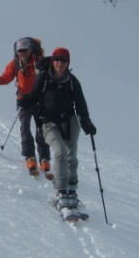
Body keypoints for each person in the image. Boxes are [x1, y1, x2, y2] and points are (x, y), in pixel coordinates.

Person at [20, 47, 97, 209]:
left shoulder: (72, 81)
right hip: (47, 122)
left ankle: (72, 190)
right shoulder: (43, 78)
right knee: (60, 152)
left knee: (71, 155)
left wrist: (87, 124)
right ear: (52, 61)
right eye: (57, 60)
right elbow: (34, 96)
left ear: (68, 63)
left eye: (63, 61)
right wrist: (25, 101)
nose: (59, 64)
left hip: (69, 121)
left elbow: (81, 104)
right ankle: (61, 190)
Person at [0, 37, 52, 178]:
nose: (22, 53)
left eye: (24, 50)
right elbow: (5, 78)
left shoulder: (39, 62)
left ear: (30, 50)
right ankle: (30, 157)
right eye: (19, 51)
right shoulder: (15, 63)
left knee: (41, 129)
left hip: (38, 100)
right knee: (24, 128)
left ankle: (44, 159)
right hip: (23, 100)